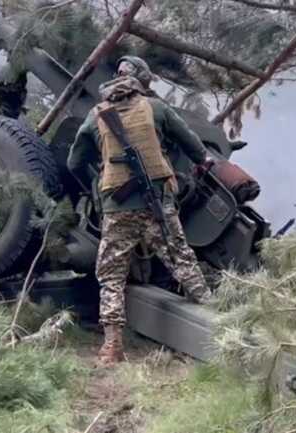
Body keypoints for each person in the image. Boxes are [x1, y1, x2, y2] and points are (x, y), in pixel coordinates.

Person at [67, 56, 212, 366]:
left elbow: (74, 162)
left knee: (112, 276)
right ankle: (219, 326)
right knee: (183, 262)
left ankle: (112, 348)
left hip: (116, 208)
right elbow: (196, 148)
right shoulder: (156, 109)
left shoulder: (97, 114)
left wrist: (99, 181)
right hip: (156, 204)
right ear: (142, 81)